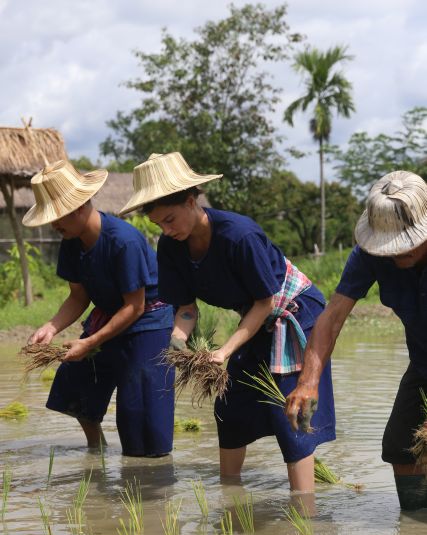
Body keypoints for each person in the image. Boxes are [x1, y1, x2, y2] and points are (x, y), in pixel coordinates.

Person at [119, 152, 335, 493]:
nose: (167, 230)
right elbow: (187, 309)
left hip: (293, 312)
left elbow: (265, 302)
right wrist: (177, 342)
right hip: (254, 317)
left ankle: (304, 510)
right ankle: (229, 494)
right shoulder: (171, 248)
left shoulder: (239, 236)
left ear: (191, 202)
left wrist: (225, 351)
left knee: (290, 408)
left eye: (171, 219)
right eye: (159, 224)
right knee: (230, 403)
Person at [286, 170, 427, 510]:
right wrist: (308, 381)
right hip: (423, 363)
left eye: (407, 245)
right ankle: (414, 531)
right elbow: (332, 318)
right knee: (400, 444)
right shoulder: (370, 256)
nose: (397, 255)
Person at [22, 159, 174, 457]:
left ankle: (151, 473)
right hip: (108, 313)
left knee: (139, 412)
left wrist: (90, 341)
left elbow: (135, 306)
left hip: (147, 319)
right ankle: (97, 448)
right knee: (74, 381)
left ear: (79, 207)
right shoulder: (72, 241)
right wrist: (51, 327)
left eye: (57, 217)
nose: (54, 225)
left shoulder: (123, 241)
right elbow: (78, 297)